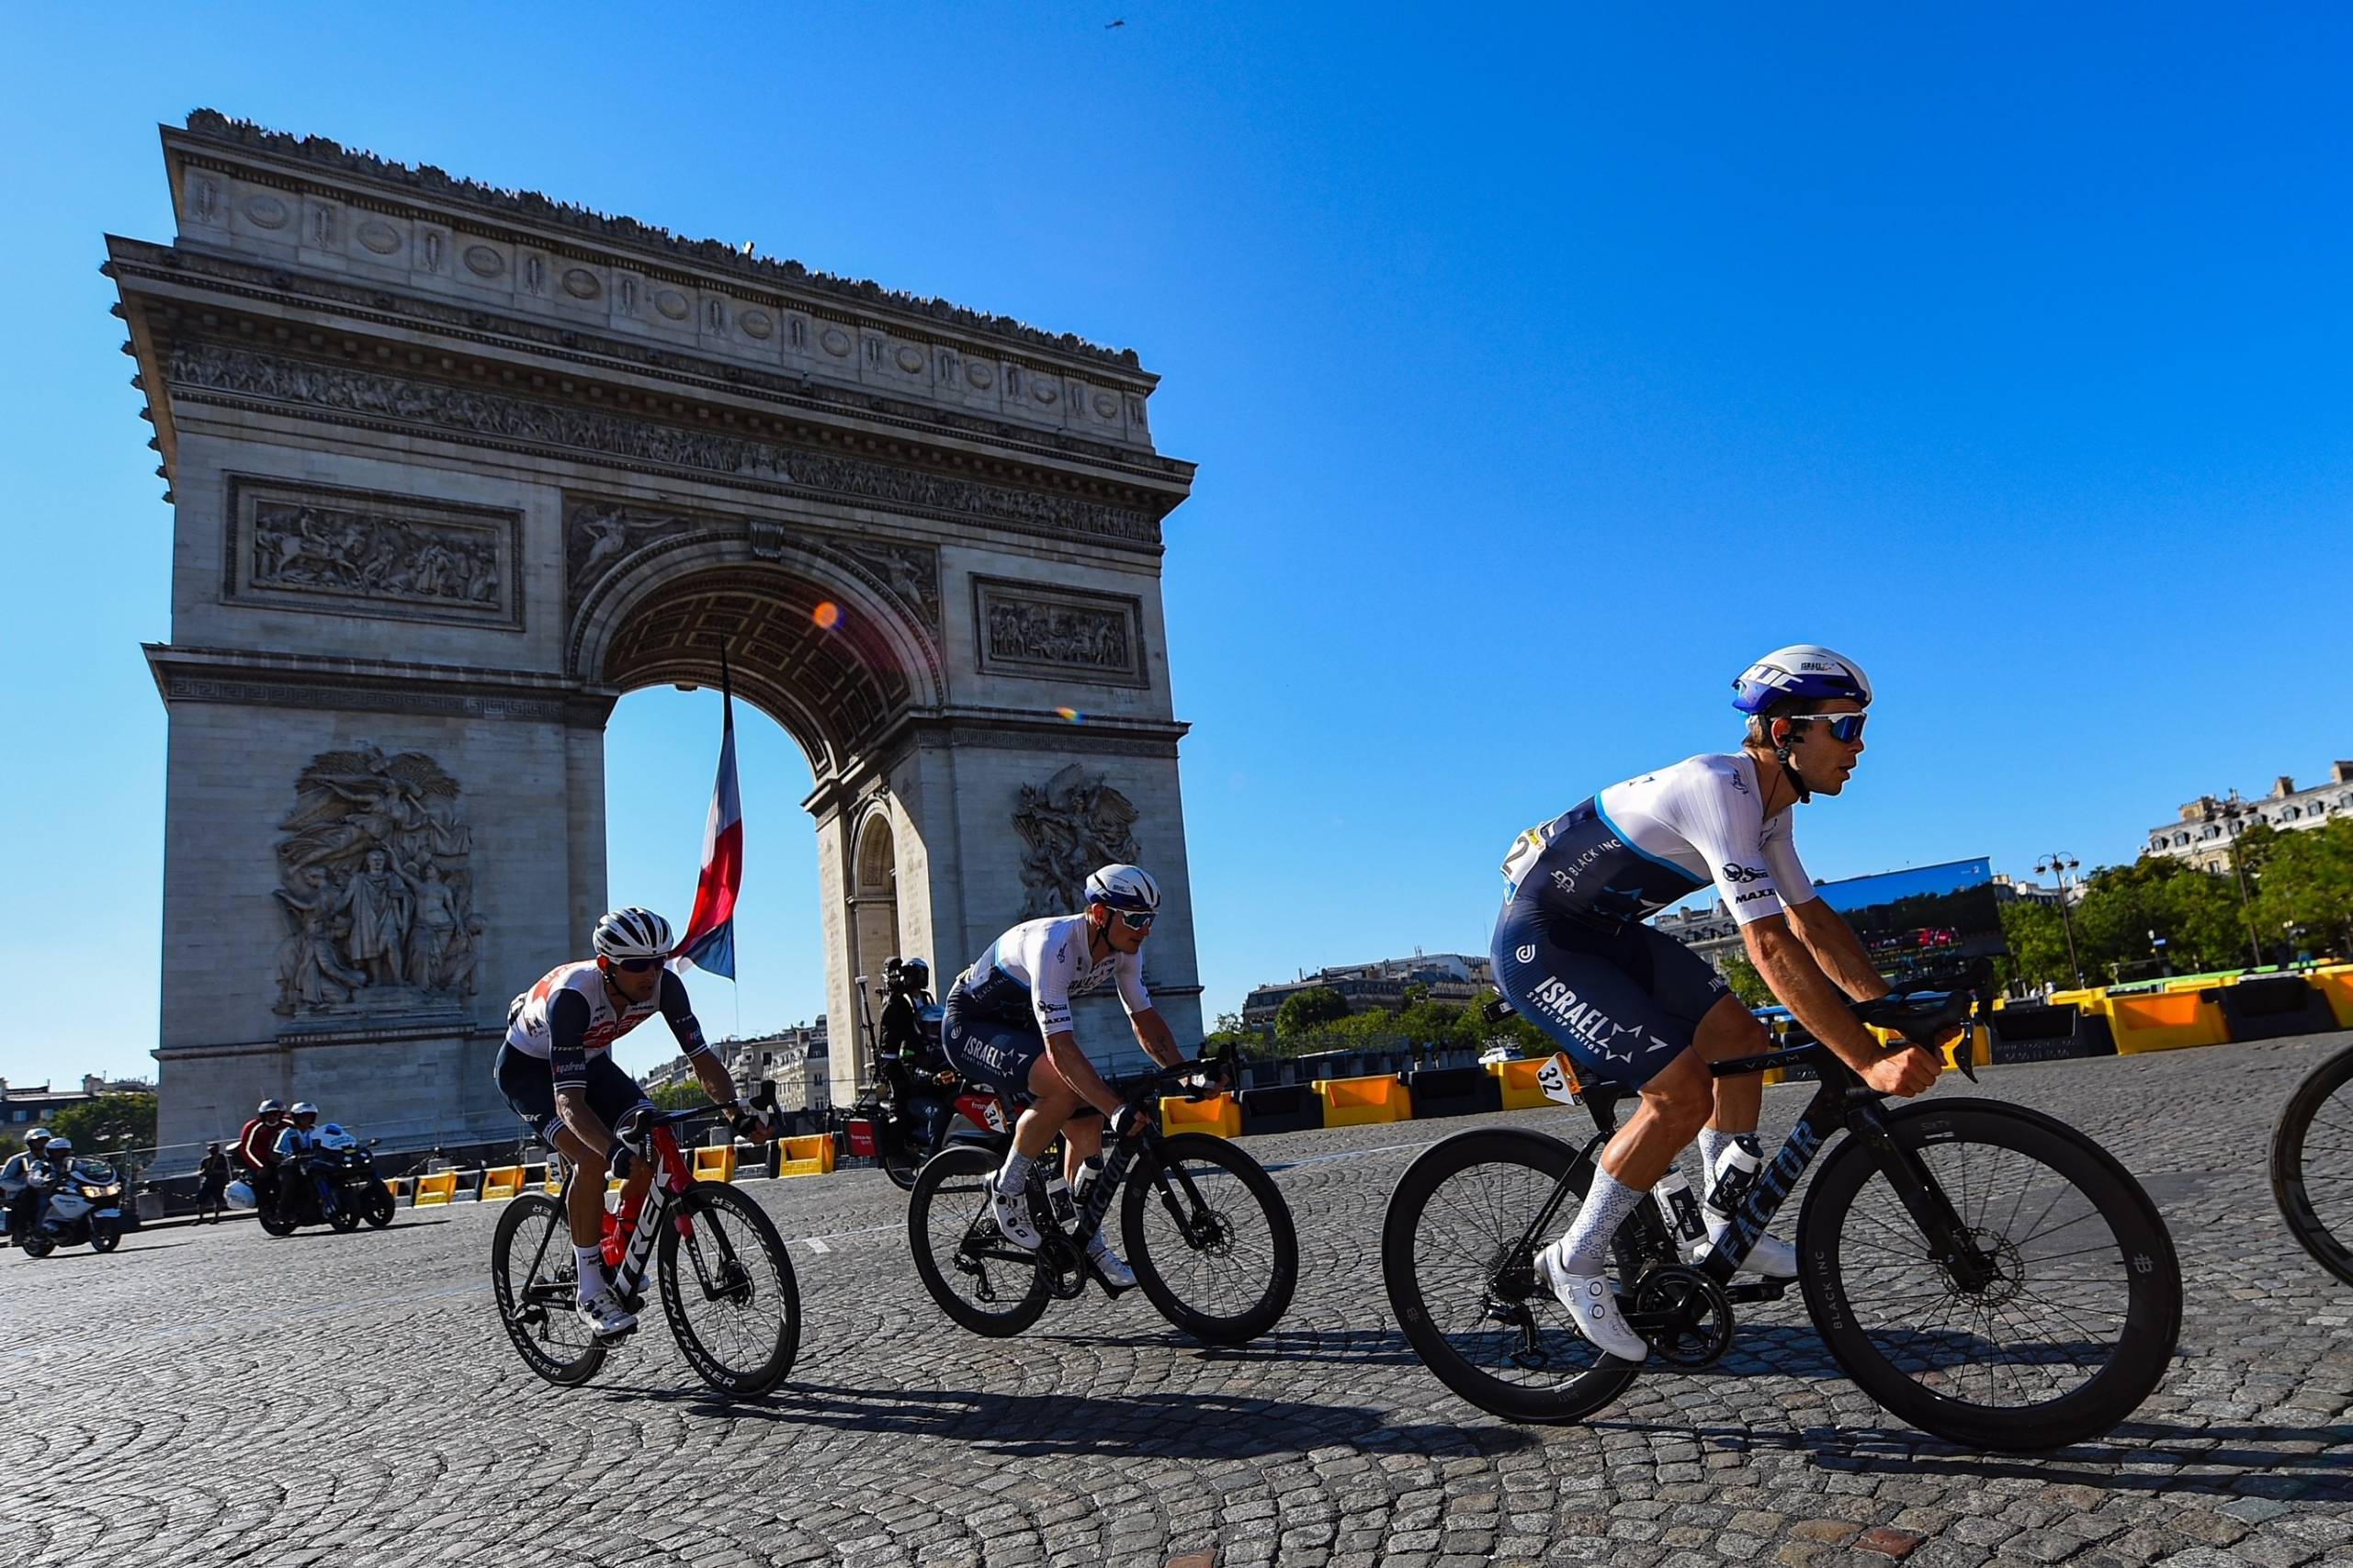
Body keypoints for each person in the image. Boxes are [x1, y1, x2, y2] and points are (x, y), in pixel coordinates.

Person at [1489, 645, 1947, 1361]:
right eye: (1846, 727)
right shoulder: (1718, 787)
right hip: (1544, 945)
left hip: (1607, 935)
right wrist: (1866, 1060)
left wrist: (1888, 1009)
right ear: (1782, 730)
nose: (1858, 747)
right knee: (1680, 1091)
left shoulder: (1769, 809)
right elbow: (1768, 947)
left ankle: (1715, 1225)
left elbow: (1812, 921)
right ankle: (1572, 1260)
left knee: (1741, 1037)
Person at [497, 907, 767, 1339]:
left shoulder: (665, 986)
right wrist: (611, 1151)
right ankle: (590, 1289)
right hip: (529, 1072)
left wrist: (736, 1112)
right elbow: (568, 1100)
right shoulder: (573, 997)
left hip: (589, 1060)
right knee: (589, 1158)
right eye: (638, 965)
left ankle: (617, 1246)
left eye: (660, 961)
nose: (652, 974)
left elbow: (702, 1061)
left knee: (652, 1133)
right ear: (606, 966)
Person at [939, 864, 1184, 1291]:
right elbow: (1060, 1049)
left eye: (1150, 920)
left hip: (1023, 1027)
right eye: (1136, 919)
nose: (1145, 931)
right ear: (1099, 913)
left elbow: (1143, 1019)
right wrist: (1118, 1109)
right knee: (1062, 1090)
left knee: (1087, 1123)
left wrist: (1183, 1074)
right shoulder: (1053, 945)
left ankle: (1083, 1237)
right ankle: (1007, 1185)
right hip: (971, 1024)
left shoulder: (1126, 950)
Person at [272, 1103, 337, 1221]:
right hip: (292, 1165)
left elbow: (328, 1143)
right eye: (303, 1117)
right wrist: (288, 1157)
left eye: (310, 1117)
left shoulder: (316, 1130)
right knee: (291, 1183)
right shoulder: (288, 1133)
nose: (307, 1119)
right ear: (296, 1118)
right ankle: (283, 1212)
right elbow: (278, 1151)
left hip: (313, 1163)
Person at [1, 1127, 55, 1245]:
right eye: (37, 1142)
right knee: (32, 1198)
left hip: (48, 1189)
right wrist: (23, 1186)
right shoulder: (18, 1160)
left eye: (45, 1141)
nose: (41, 1144)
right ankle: (27, 1229)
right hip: (22, 1193)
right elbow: (4, 1181)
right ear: (30, 1144)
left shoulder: (53, 1157)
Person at [238, 1100, 288, 1219]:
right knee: (267, 1180)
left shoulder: (288, 1123)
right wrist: (260, 1166)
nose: (272, 1117)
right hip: (264, 1161)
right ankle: (267, 1208)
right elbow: (246, 1149)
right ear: (263, 1115)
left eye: (276, 1114)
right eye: (269, 1114)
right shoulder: (253, 1127)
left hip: (286, 1159)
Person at [195, 1143, 231, 1223]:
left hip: (219, 1182)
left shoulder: (223, 1159)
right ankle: (200, 1218)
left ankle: (216, 1217)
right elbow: (202, 1171)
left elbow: (228, 1170)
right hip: (208, 1182)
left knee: (218, 1200)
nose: (212, 1152)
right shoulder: (205, 1160)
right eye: (211, 1150)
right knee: (201, 1200)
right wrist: (203, 1172)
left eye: (214, 1150)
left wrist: (216, 1171)